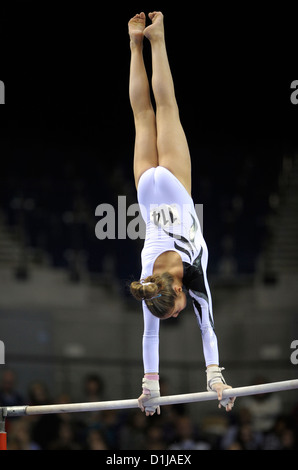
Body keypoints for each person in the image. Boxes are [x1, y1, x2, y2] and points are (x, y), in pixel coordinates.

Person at [128, 11, 235, 417]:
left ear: (176, 292)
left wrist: (215, 377)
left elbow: (207, 328)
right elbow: (149, 335)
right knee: (143, 115)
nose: (177, 314)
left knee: (167, 106)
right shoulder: (149, 284)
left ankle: (158, 39)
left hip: (173, 184)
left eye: (174, 311)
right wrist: (149, 385)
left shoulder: (190, 276)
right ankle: (137, 42)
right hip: (148, 190)